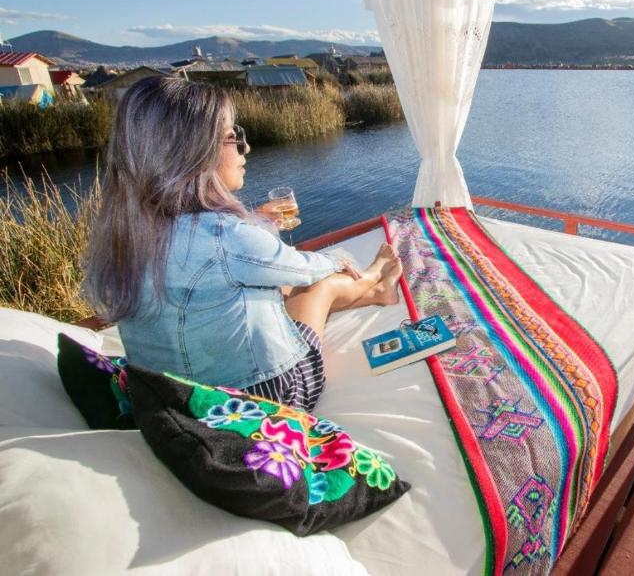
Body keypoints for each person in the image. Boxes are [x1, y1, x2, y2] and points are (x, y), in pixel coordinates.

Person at [83, 76, 402, 411]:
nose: (245, 148)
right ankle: (374, 281)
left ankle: (372, 292)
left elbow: (222, 262)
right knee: (320, 285)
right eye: (233, 137)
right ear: (195, 153)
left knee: (278, 293)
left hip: (174, 397)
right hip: (266, 397)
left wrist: (254, 223)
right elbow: (299, 269)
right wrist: (337, 262)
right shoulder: (224, 235)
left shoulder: (125, 233)